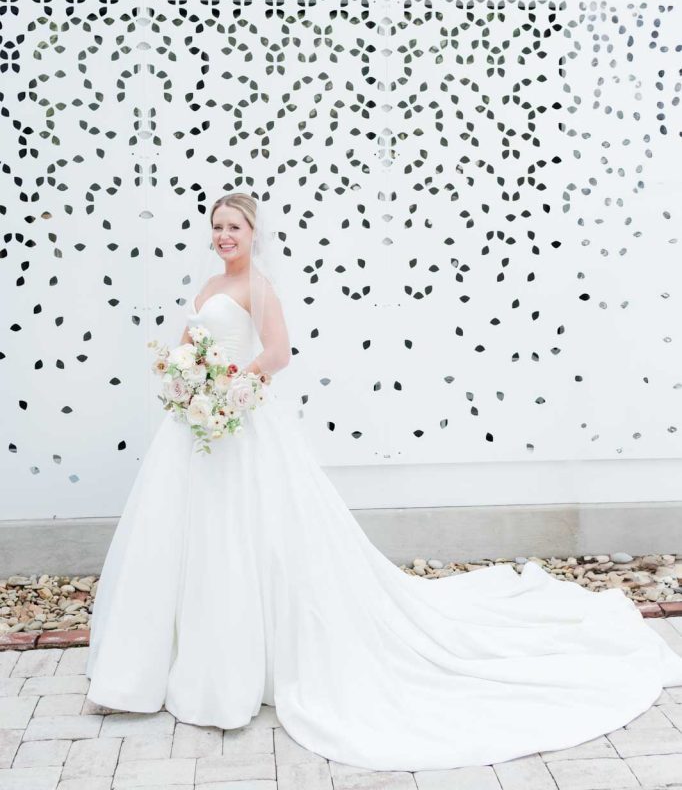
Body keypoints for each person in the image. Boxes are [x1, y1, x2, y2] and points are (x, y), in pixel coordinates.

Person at [85, 193, 682, 772]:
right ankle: (168, 661)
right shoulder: (209, 287)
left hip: (240, 418)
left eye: (234, 227)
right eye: (217, 226)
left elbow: (279, 353)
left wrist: (229, 380)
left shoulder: (257, 288)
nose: (223, 236)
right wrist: (189, 374)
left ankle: (238, 668)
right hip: (197, 424)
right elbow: (193, 344)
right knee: (189, 538)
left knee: (247, 536)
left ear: (252, 234)